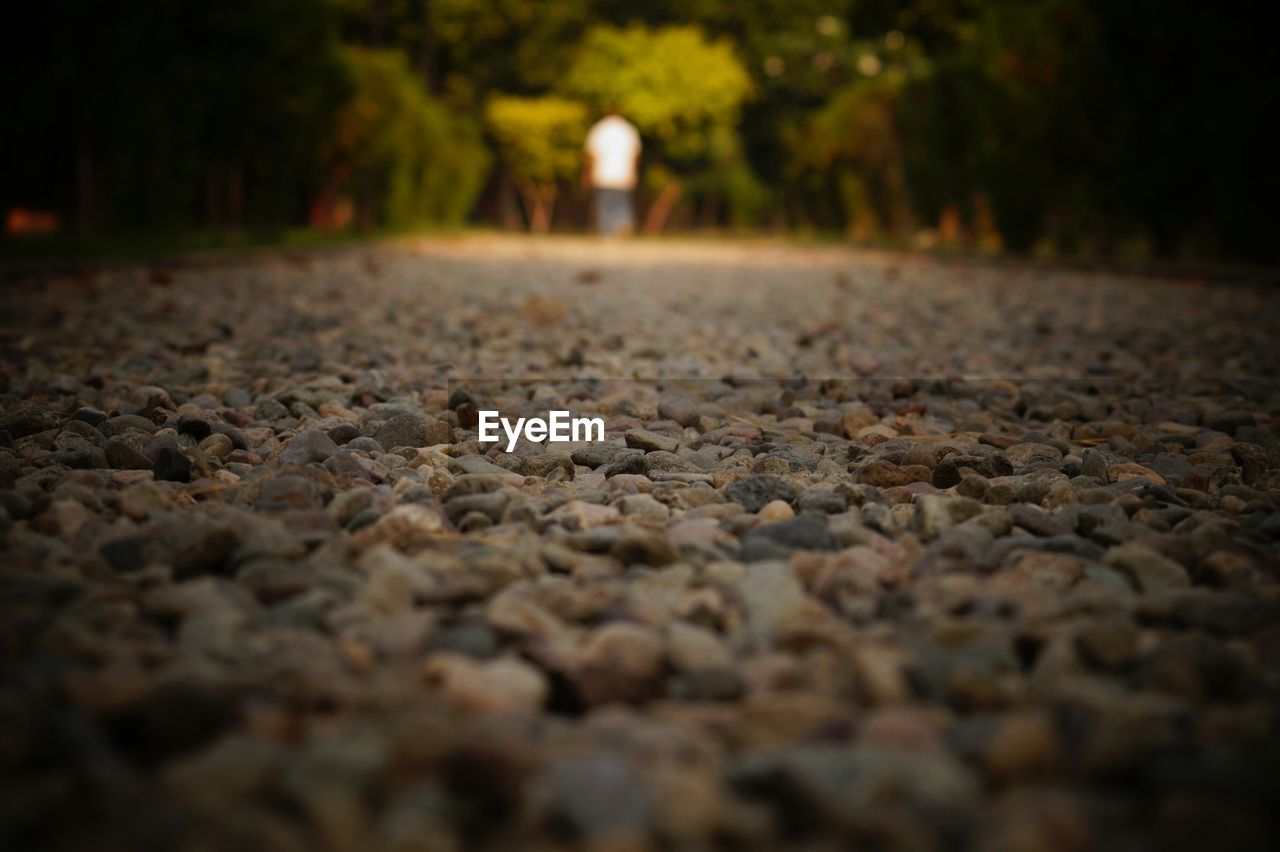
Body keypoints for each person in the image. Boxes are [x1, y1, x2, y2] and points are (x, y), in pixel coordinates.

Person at [583, 109, 641, 236]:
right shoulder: (628, 130)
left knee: (605, 205)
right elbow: (635, 155)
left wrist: (587, 174)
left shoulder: (599, 129)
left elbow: (592, 155)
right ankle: (623, 224)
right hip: (624, 173)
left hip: (603, 174)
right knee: (623, 203)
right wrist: (634, 172)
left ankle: (609, 233)